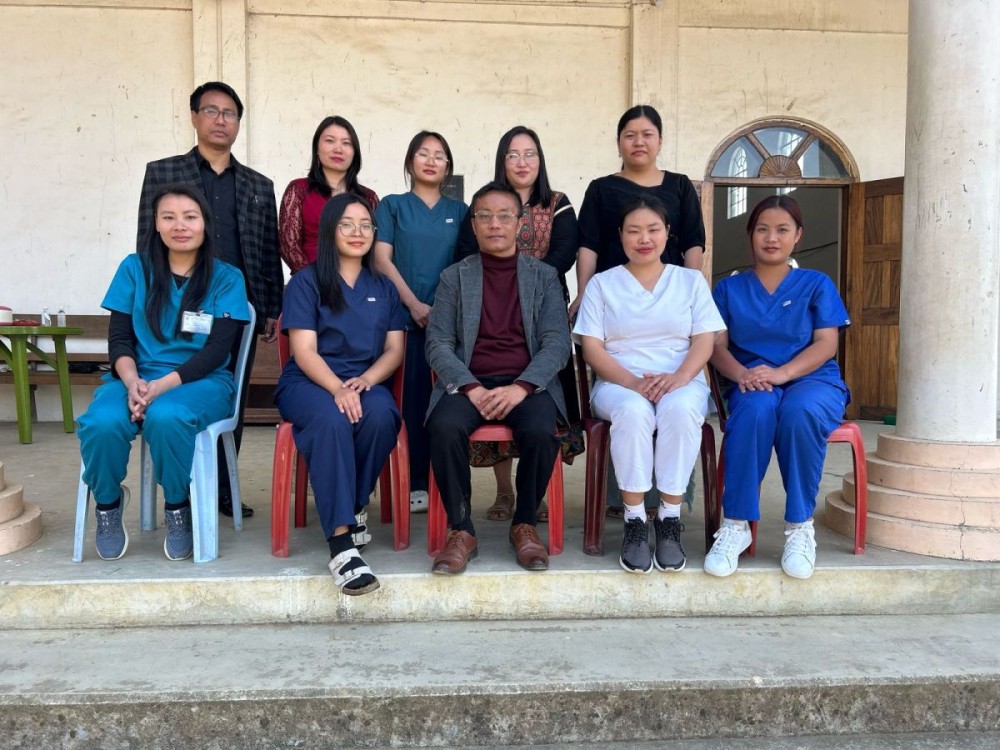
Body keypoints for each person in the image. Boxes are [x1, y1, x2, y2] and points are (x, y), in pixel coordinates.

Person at [79, 185, 250, 561]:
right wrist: (132, 382)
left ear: (205, 223)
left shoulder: (226, 278)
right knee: (101, 423)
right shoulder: (133, 269)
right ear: (155, 224)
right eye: (168, 217)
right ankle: (107, 504)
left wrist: (160, 387)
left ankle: (177, 504)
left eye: (190, 216)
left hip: (201, 381)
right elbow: (120, 342)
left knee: (167, 416)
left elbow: (217, 351)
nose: (180, 225)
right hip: (134, 377)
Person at [137, 81, 281, 520]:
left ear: (239, 122)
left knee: (227, 392)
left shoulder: (258, 183)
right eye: (212, 111)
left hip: (235, 307)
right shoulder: (164, 173)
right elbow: (147, 241)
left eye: (230, 113)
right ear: (195, 117)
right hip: (175, 302)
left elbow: (268, 246)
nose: (221, 120)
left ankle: (219, 486)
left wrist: (273, 305)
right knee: (177, 384)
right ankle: (181, 485)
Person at [425, 182, 571, 575]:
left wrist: (521, 387)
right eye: (485, 216)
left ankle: (524, 522)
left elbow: (557, 342)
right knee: (442, 426)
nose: (494, 224)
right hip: (469, 380)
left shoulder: (544, 276)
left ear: (520, 223)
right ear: (473, 225)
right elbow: (437, 342)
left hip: (527, 383)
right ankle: (461, 529)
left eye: (504, 215)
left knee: (543, 430)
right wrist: (470, 387)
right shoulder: (455, 277)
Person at [571, 104, 707, 519]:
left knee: (676, 405)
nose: (639, 141)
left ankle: (669, 506)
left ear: (660, 140)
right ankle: (625, 505)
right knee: (628, 406)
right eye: (630, 134)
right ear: (618, 142)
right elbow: (589, 245)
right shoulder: (600, 188)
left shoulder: (681, 186)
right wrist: (582, 293)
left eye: (647, 134)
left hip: (667, 306)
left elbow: (695, 245)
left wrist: (684, 291)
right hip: (618, 307)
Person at [574, 197, 724, 573]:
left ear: (668, 233)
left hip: (681, 377)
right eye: (634, 230)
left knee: (682, 408)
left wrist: (678, 378)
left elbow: (705, 340)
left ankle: (669, 519)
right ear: (620, 236)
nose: (644, 238)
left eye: (653, 229)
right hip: (618, 381)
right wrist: (631, 382)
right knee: (634, 410)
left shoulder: (689, 281)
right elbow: (592, 347)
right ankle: (636, 520)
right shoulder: (602, 285)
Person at [706, 195, 850, 580]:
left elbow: (826, 343)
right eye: (763, 229)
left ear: (798, 236)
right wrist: (740, 375)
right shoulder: (728, 289)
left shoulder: (816, 283)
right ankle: (735, 525)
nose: (772, 237)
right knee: (755, 411)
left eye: (782, 229)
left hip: (812, 380)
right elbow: (715, 346)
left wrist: (784, 373)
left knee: (799, 413)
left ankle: (800, 527)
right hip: (751, 381)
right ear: (750, 234)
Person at [275, 195, 404, 595]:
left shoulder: (384, 288)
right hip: (309, 383)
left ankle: (350, 502)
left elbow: (395, 350)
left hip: (362, 380)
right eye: (347, 224)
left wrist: (364, 381)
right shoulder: (306, 282)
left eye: (366, 225)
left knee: (383, 414)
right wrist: (336, 388)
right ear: (331, 230)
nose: (357, 232)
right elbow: (304, 351)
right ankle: (342, 543)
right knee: (333, 418)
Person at [455, 125, 581, 523]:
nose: (522, 162)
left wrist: (525, 280)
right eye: (513, 154)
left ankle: (533, 493)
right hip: (487, 308)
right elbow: (463, 250)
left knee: (535, 405)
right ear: (502, 161)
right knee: (492, 396)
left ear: (540, 160)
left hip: (541, 309)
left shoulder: (557, 202)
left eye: (530, 154)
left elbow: (564, 251)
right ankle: (505, 491)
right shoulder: (484, 204)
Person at [373, 131, 468, 514]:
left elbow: (466, 267)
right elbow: (381, 259)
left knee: (449, 405)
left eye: (440, 155)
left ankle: (446, 483)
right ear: (410, 161)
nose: (431, 160)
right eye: (423, 154)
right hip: (404, 320)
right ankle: (413, 482)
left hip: (450, 326)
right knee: (410, 402)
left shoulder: (461, 212)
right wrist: (413, 304)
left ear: (448, 167)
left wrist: (442, 313)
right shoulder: (392, 206)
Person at [279, 116, 380, 274]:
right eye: (330, 141)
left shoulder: (368, 197)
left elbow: (376, 247)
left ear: (355, 152)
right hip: (312, 284)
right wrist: (313, 282)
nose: (338, 149)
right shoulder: (299, 189)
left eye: (346, 143)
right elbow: (289, 244)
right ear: (317, 148)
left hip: (358, 285)